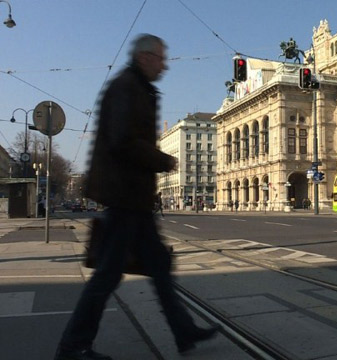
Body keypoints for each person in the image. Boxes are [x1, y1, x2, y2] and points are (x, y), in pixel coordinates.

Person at [55, 35, 218, 360]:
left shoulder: (137, 87)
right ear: (145, 57)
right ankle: (72, 347)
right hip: (125, 196)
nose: (165, 64)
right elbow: (122, 141)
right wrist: (163, 160)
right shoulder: (127, 87)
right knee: (107, 275)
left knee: (158, 267)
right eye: (160, 57)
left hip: (135, 199)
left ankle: (183, 331)